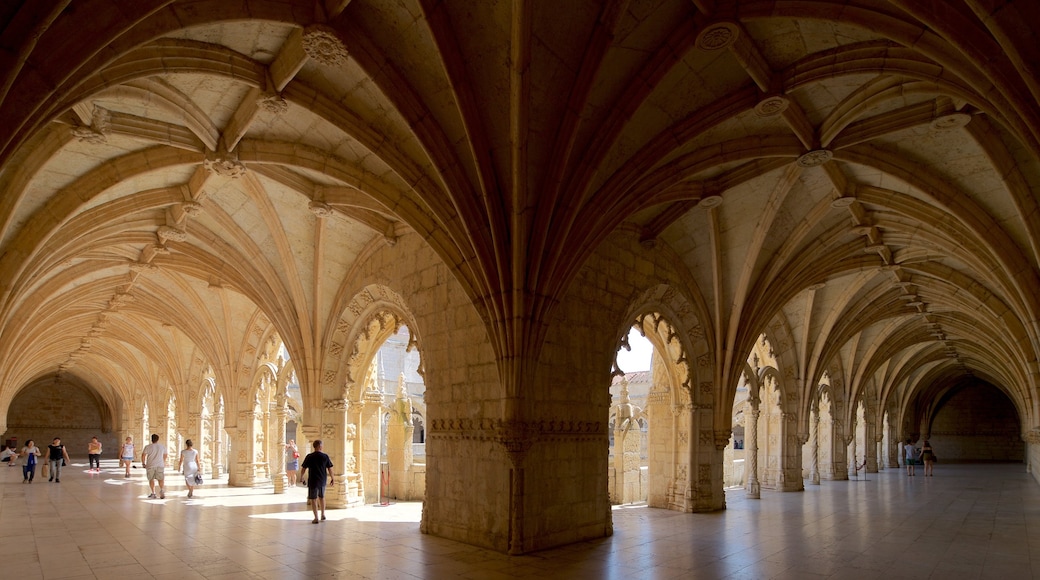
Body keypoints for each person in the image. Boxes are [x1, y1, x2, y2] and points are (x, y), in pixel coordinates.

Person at [300, 439, 334, 523]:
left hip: (313, 480)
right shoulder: (325, 456)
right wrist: (333, 478)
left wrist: (301, 477)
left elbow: (303, 468)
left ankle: (316, 518)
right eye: (321, 445)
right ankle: (323, 514)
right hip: (322, 480)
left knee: (313, 499)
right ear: (320, 446)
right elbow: (330, 468)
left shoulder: (309, 456)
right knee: (322, 497)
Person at [141, 433, 168, 499]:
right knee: (160, 478)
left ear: (151, 439)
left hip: (150, 465)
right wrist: (163, 461)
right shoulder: (162, 446)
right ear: (158, 439)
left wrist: (143, 463)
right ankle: (161, 490)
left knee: (151, 479)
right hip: (160, 465)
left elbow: (143, 455)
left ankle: (153, 493)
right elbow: (165, 455)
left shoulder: (148, 447)